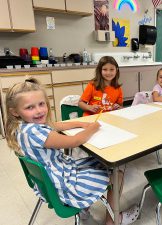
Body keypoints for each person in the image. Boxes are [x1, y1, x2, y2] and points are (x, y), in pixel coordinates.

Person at [5, 78, 139, 225]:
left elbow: (55, 125)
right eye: (30, 107)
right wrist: (92, 128)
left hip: (49, 182)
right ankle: (112, 221)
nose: (39, 110)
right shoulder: (36, 133)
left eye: (41, 104)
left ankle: (84, 209)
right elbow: (75, 141)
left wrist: (80, 123)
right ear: (15, 112)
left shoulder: (23, 128)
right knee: (116, 174)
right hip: (64, 185)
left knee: (98, 161)